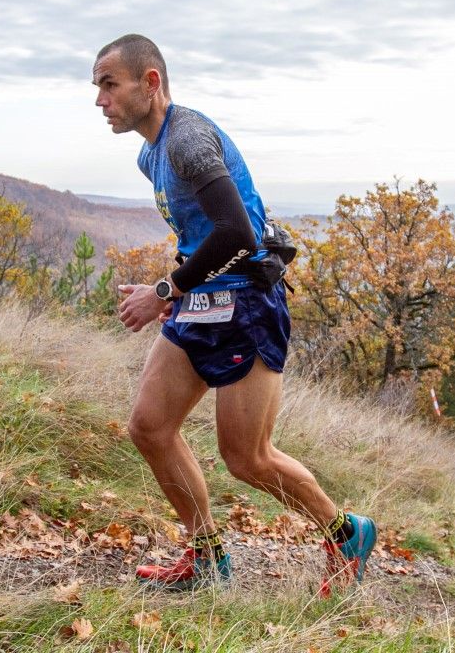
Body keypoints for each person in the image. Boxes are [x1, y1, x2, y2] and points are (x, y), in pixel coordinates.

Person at [91, 34, 376, 596]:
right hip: (201, 301)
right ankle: (206, 559)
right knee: (150, 427)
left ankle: (346, 533)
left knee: (246, 458)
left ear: (150, 82)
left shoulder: (187, 139)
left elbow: (238, 235)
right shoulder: (150, 154)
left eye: (109, 84)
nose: (100, 100)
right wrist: (178, 290)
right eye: (97, 87)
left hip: (247, 302)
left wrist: (163, 290)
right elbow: (200, 231)